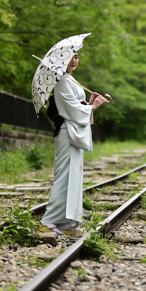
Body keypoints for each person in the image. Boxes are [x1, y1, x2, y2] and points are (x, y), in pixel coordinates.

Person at [40, 52, 108, 236]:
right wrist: (91, 108)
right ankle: (48, 221)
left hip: (74, 131)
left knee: (74, 177)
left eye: (76, 57)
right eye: (70, 57)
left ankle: (67, 221)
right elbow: (70, 107)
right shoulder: (62, 81)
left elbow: (78, 104)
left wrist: (89, 103)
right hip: (67, 132)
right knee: (64, 174)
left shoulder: (70, 79)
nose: (74, 61)